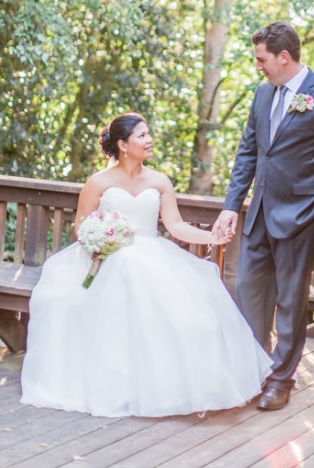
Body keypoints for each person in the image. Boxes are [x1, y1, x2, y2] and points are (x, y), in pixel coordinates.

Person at [20, 113, 271, 418]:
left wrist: (211, 237)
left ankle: (171, 387)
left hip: (153, 255)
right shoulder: (98, 182)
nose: (149, 140)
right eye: (141, 135)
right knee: (108, 280)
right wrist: (99, 237)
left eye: (148, 133)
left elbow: (176, 226)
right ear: (123, 145)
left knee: (196, 319)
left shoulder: (159, 180)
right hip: (109, 256)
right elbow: (80, 226)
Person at [212, 21, 314, 411]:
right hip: (259, 214)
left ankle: (280, 380)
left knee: (291, 304)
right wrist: (231, 205)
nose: (258, 65)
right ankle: (254, 368)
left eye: (261, 59)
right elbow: (249, 153)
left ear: (283, 57)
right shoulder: (262, 95)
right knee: (248, 291)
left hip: (302, 217)